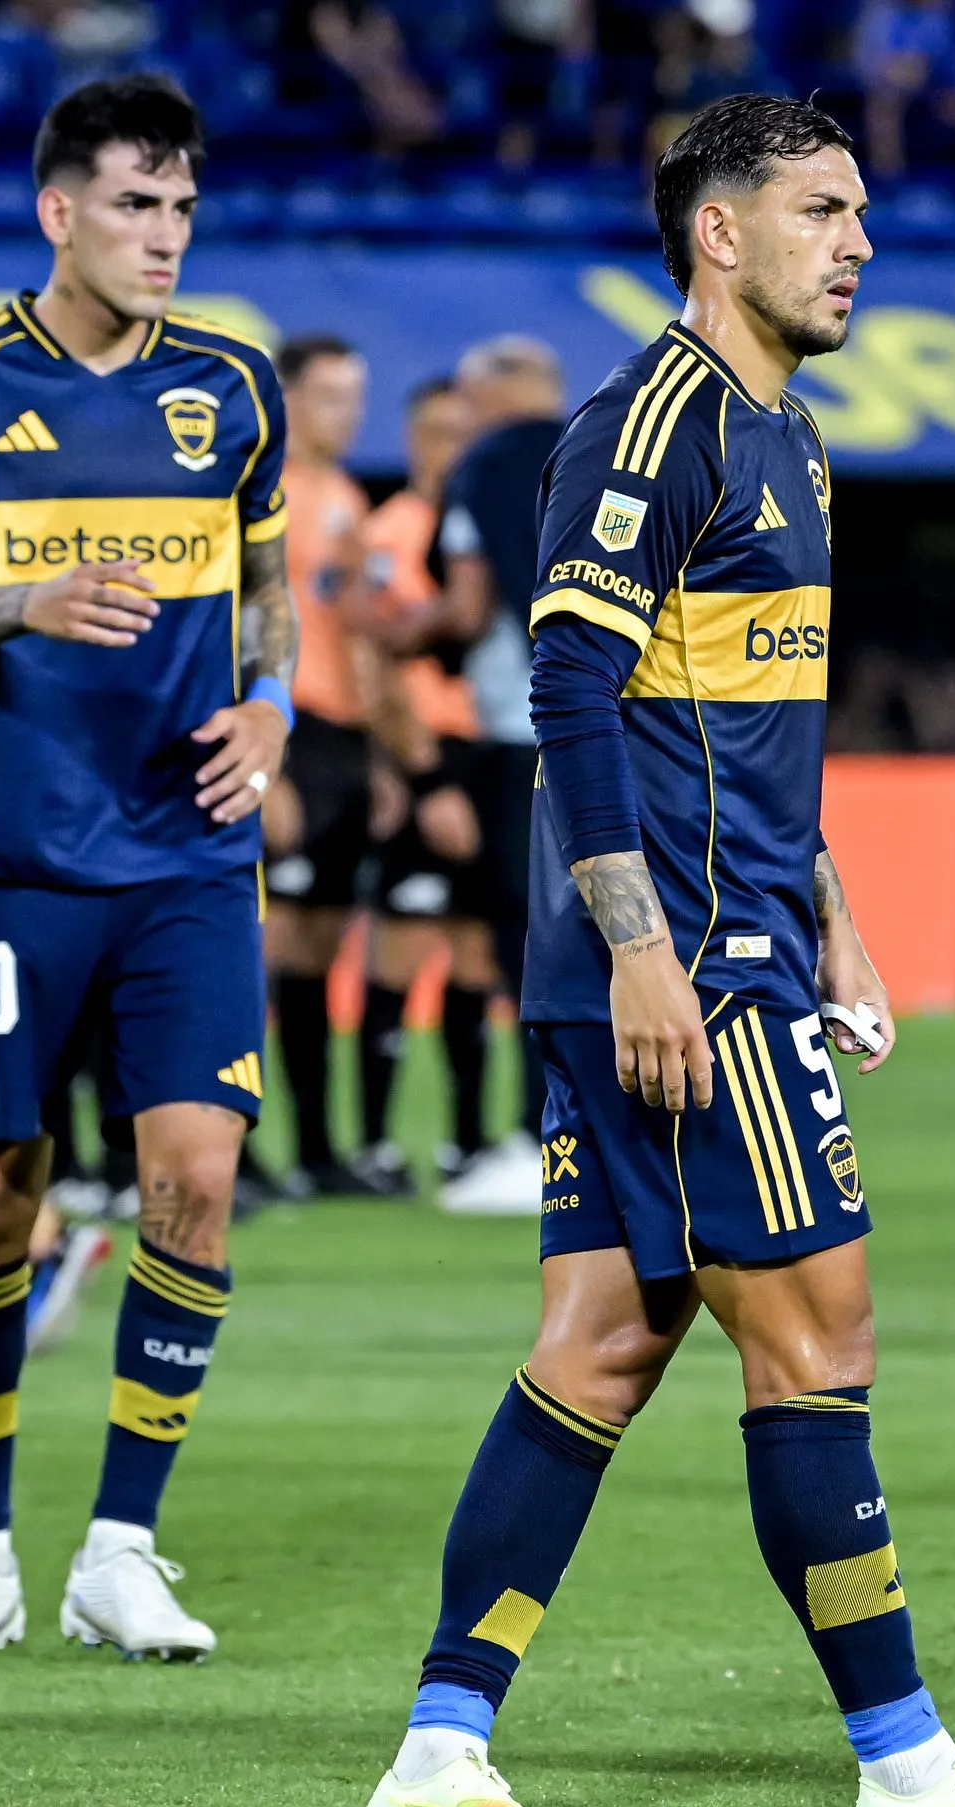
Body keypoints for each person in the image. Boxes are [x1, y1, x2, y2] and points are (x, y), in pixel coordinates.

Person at [358, 94, 955, 1807]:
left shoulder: (794, 439)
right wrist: (647, 952)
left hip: (737, 938)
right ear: (719, 231)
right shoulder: (653, 426)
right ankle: (907, 1766)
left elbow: (750, 725)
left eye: (861, 211)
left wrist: (832, 907)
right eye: (822, 210)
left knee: (602, 1346)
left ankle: (440, 1756)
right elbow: (568, 692)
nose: (862, 242)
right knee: (820, 1338)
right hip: (687, 968)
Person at [0, 76, 294, 1664]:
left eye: (181, 207)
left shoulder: (235, 388)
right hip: (16, 859)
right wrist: (25, 603)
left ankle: (122, 1548)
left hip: (190, 856)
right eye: (132, 205)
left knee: (197, 1177)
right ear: (59, 212)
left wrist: (275, 702)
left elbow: (268, 589)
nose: (164, 236)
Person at [352, 374, 516, 1193]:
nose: (456, 450)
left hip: (487, 752)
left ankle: (467, 1142)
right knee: (404, 944)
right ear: (414, 440)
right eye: (442, 434)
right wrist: (408, 772)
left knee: (479, 952)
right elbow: (373, 659)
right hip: (425, 751)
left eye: (466, 434)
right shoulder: (392, 531)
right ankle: (375, 1144)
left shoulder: (483, 521)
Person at [421, 332, 572, 1212]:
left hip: (522, 731)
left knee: (523, 940)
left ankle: (536, 1135)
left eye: (472, 394)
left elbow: (468, 607)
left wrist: (390, 629)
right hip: (625, 725)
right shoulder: (611, 449)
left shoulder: (480, 468)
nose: (463, 412)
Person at [258, 331, 408, 1199]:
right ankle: (237, 1148)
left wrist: (380, 757)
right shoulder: (259, 491)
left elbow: (356, 636)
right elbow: (242, 622)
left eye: (354, 398)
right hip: (287, 727)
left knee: (319, 945)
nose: (346, 415)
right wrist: (267, 763)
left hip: (344, 740)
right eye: (328, 396)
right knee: (266, 944)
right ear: (285, 397)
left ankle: (316, 1150)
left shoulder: (346, 497)